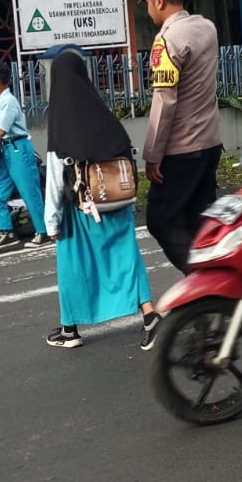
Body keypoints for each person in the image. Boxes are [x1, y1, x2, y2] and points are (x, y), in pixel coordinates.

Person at [41, 50, 158, 351]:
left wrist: (51, 221)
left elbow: (55, 178)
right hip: (117, 202)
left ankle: (70, 330)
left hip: (80, 210)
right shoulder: (102, 114)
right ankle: (150, 316)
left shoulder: (61, 120)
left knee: (73, 266)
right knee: (127, 258)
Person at [138, 0, 221, 274]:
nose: (148, 10)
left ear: (159, 0)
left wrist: (152, 155)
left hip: (181, 150)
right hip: (210, 143)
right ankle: (220, 285)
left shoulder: (167, 40)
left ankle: (206, 283)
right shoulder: (207, 28)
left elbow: (165, 101)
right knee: (200, 221)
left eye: (148, 2)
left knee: (160, 219)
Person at [0, 61, 50, 252]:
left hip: (18, 149)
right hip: (6, 151)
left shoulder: (9, 101)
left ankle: (43, 232)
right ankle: (6, 232)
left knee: (29, 192)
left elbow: (1, 130)